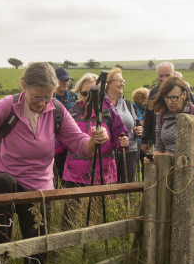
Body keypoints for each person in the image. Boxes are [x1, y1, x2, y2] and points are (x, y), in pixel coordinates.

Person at [0, 62, 108, 264]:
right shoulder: (8, 105)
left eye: (49, 97)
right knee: (2, 211)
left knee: (37, 244)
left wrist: (94, 141)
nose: (42, 103)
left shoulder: (57, 110)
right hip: (3, 177)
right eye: (37, 97)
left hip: (38, 185)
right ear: (24, 86)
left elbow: (80, 143)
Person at [57, 73, 128, 229]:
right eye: (84, 94)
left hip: (103, 171)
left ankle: (99, 248)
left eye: (93, 93)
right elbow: (59, 142)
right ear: (78, 93)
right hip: (74, 173)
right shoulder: (73, 113)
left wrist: (123, 142)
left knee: (103, 216)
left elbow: (120, 135)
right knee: (69, 218)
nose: (89, 98)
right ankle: (64, 249)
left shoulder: (109, 112)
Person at [149, 76, 194, 189]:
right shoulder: (162, 115)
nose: (169, 102)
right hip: (170, 176)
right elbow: (159, 145)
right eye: (166, 97)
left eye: (174, 97)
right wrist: (154, 158)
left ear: (183, 95)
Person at [105, 67, 143, 183]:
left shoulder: (127, 103)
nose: (122, 84)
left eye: (123, 81)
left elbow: (135, 123)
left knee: (128, 185)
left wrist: (139, 130)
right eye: (119, 81)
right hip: (109, 152)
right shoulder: (101, 104)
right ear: (109, 84)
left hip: (130, 149)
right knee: (111, 186)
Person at [140, 62, 175, 155]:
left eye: (167, 75)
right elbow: (149, 116)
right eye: (161, 76)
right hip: (159, 143)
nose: (164, 79)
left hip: (179, 141)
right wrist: (144, 139)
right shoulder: (154, 91)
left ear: (174, 74)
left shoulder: (184, 90)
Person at [53, 67, 78, 186]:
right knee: (53, 175)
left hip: (72, 142)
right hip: (54, 143)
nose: (65, 83)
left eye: (67, 80)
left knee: (69, 175)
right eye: (62, 80)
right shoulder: (49, 98)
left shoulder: (75, 97)